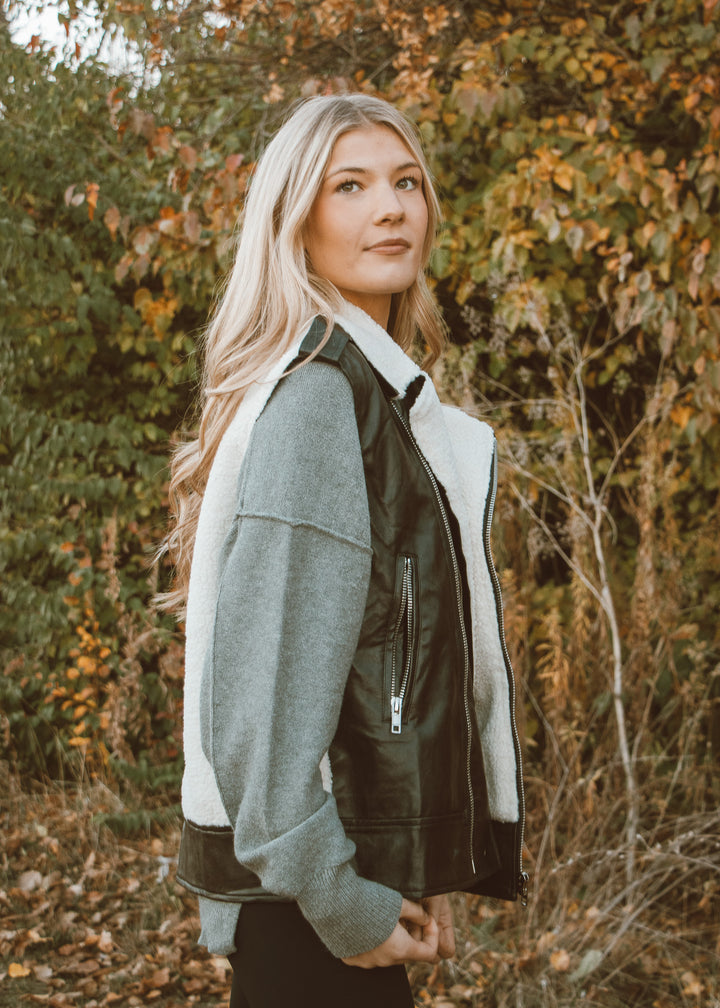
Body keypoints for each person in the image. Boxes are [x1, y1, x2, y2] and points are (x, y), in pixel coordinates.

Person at [163, 93, 527, 1008]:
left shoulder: (361, 390)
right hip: (312, 907)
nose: (392, 207)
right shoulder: (324, 400)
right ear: (297, 219)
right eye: (351, 186)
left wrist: (406, 855)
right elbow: (266, 697)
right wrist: (338, 897)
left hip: (342, 877)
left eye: (407, 182)